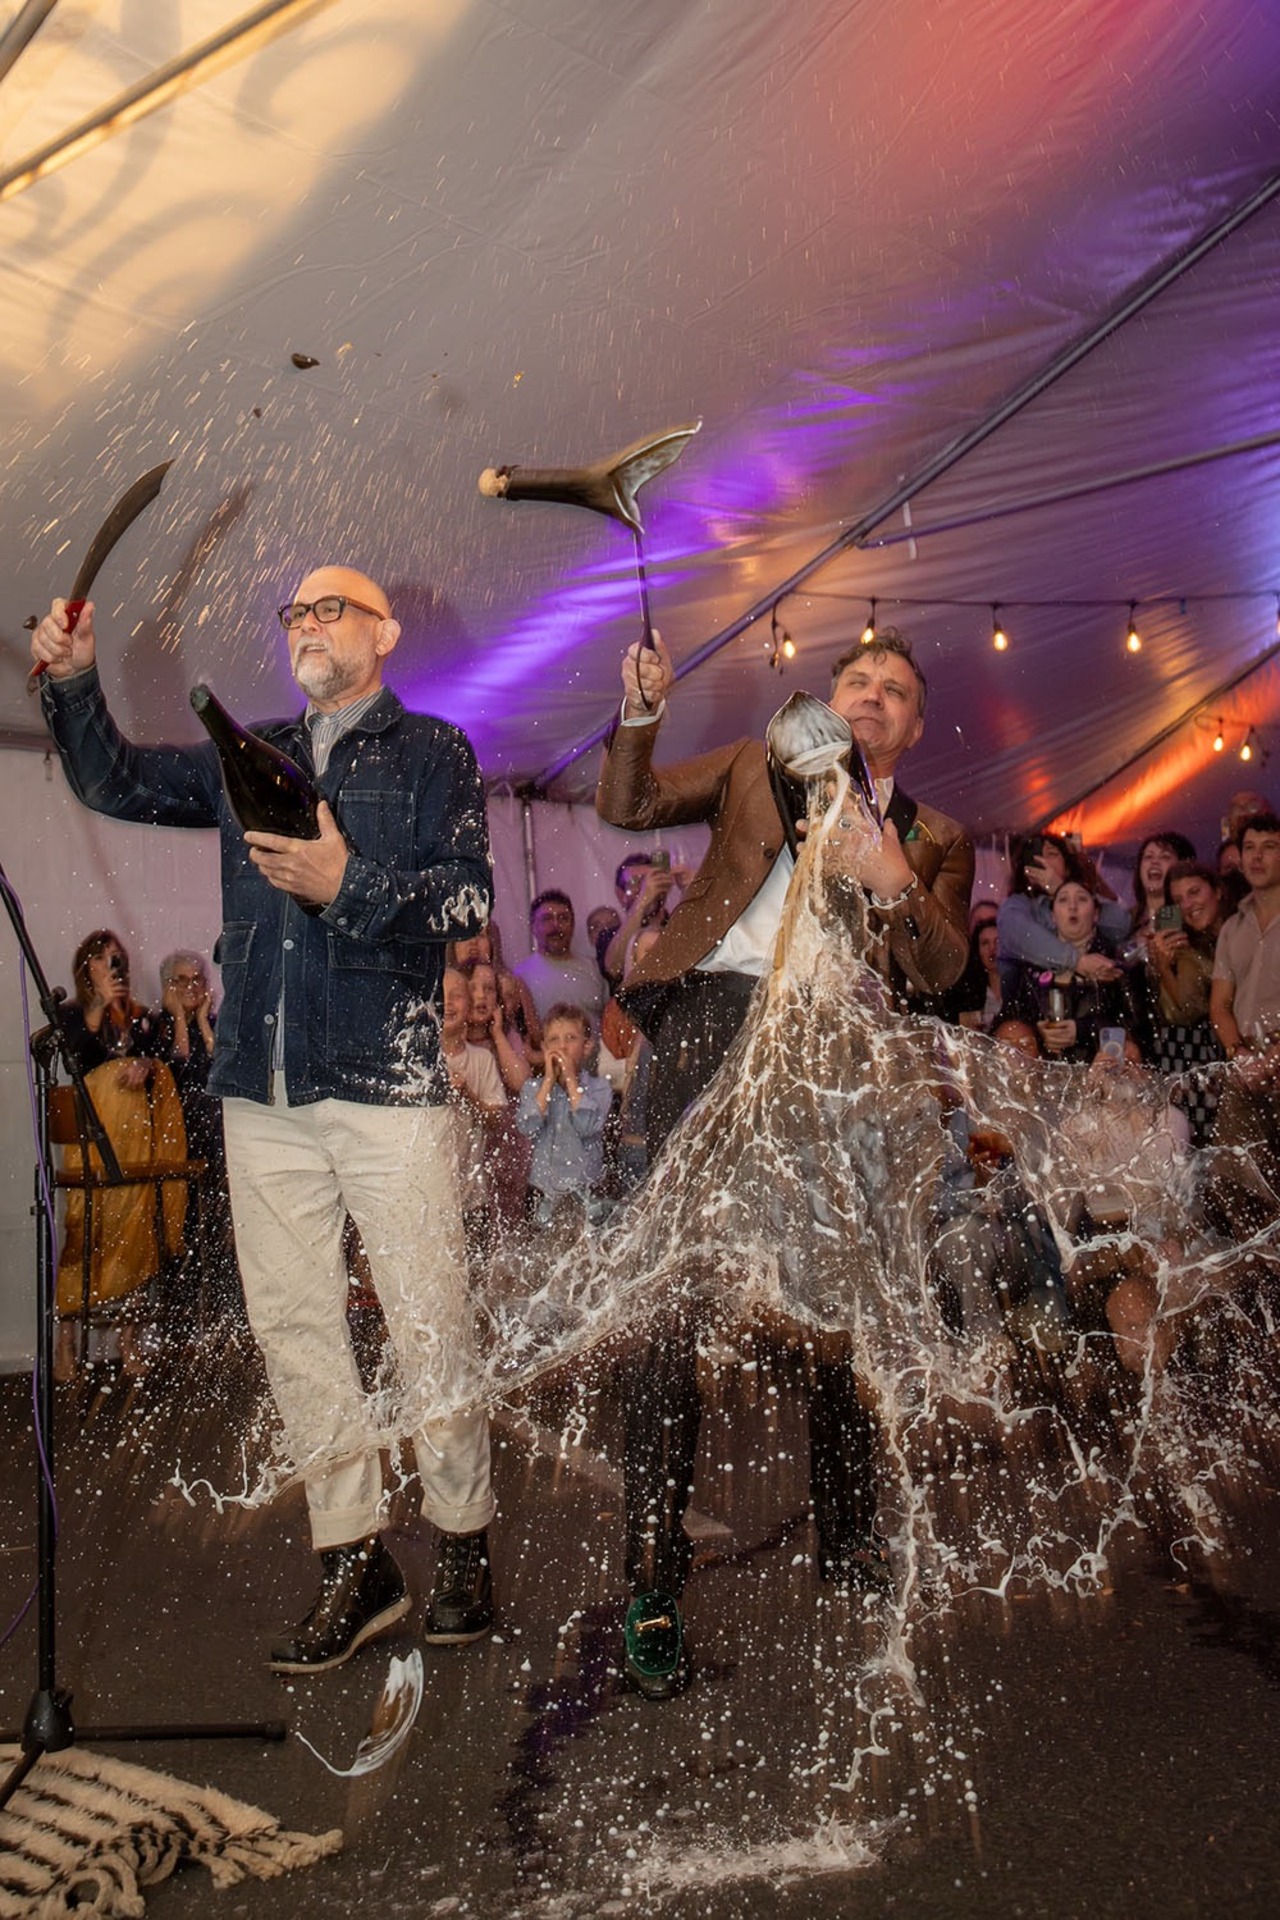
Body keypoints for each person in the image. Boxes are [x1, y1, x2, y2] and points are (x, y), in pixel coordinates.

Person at [33, 565, 498, 1674]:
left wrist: (352, 882)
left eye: (327, 607)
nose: (303, 624)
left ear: (383, 631)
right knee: (295, 1328)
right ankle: (353, 1557)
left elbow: (470, 898)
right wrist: (75, 685)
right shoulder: (256, 756)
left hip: (385, 1085)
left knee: (427, 1316)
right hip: (261, 1091)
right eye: (292, 613)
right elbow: (116, 784)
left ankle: (464, 1539)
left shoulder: (434, 752)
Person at [596, 623, 972, 1694]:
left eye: (893, 689)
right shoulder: (752, 763)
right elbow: (625, 807)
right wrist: (638, 711)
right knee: (667, 1296)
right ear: (830, 694)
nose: (870, 695)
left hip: (834, 1050)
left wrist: (889, 869)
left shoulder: (935, 830)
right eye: (856, 678)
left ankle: (848, 1534)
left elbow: (940, 968)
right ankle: (652, 1580)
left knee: (835, 1296)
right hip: (712, 1020)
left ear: (911, 723)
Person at [996, 832, 1129, 1002]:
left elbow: (1121, 924)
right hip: (1027, 1014)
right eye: (1035, 855)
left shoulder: (1083, 899)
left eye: (1052, 854)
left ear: (1067, 867)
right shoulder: (1017, 905)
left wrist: (1061, 890)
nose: (1043, 861)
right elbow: (1019, 934)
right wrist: (1077, 961)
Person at [515, 1002, 613, 1224]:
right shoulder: (533, 1088)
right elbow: (528, 1126)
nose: (562, 1047)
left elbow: (587, 1126)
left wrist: (570, 1080)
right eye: (554, 1040)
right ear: (544, 1048)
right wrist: (549, 1080)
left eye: (571, 1038)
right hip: (543, 1188)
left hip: (584, 1190)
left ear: (586, 1046)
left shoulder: (599, 1088)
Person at [515, 889, 607, 1022]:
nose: (556, 926)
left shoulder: (594, 969)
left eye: (563, 918)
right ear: (533, 927)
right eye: (547, 919)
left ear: (573, 924)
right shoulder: (521, 976)